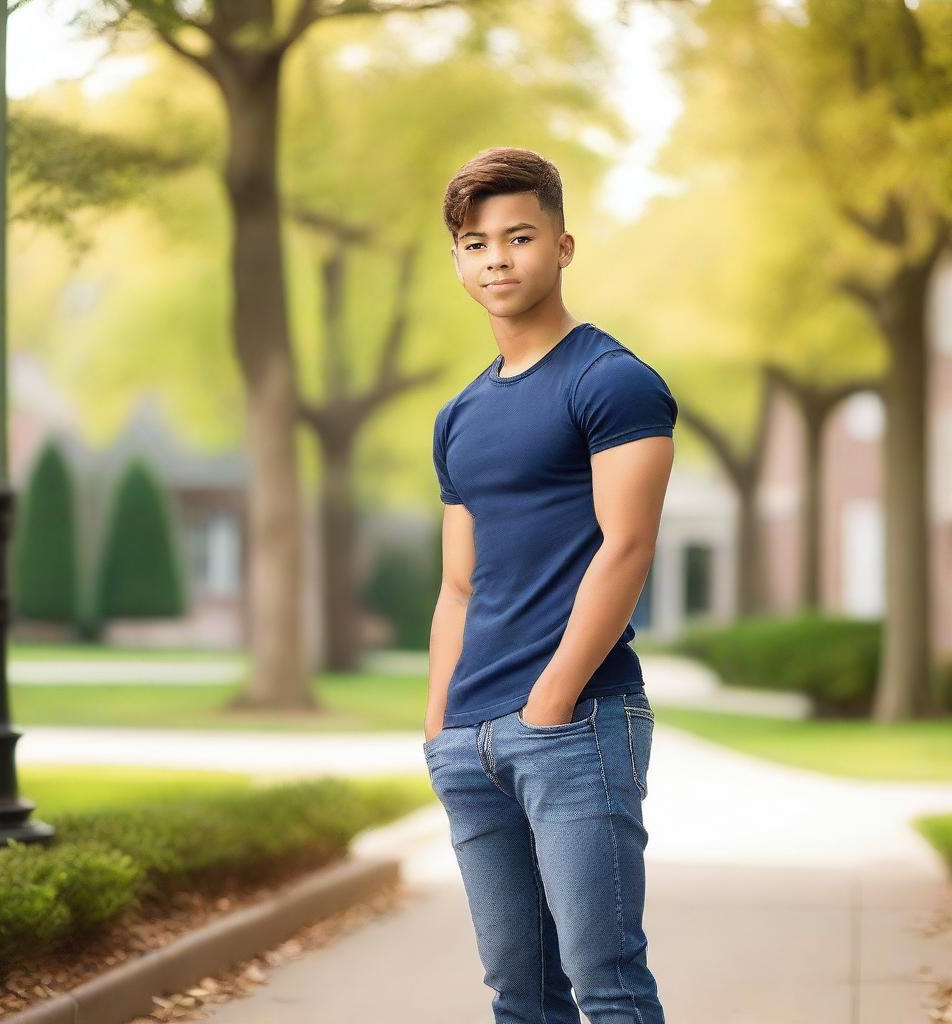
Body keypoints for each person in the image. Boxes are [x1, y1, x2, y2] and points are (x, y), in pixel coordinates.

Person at [423, 145, 676, 1024]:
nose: (496, 257)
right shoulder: (458, 415)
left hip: (577, 725)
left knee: (607, 983)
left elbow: (627, 545)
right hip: (472, 740)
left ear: (563, 246)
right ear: (457, 260)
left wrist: (552, 701)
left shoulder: (612, 382)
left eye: (519, 236)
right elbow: (458, 585)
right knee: (518, 995)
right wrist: (440, 728)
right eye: (474, 242)